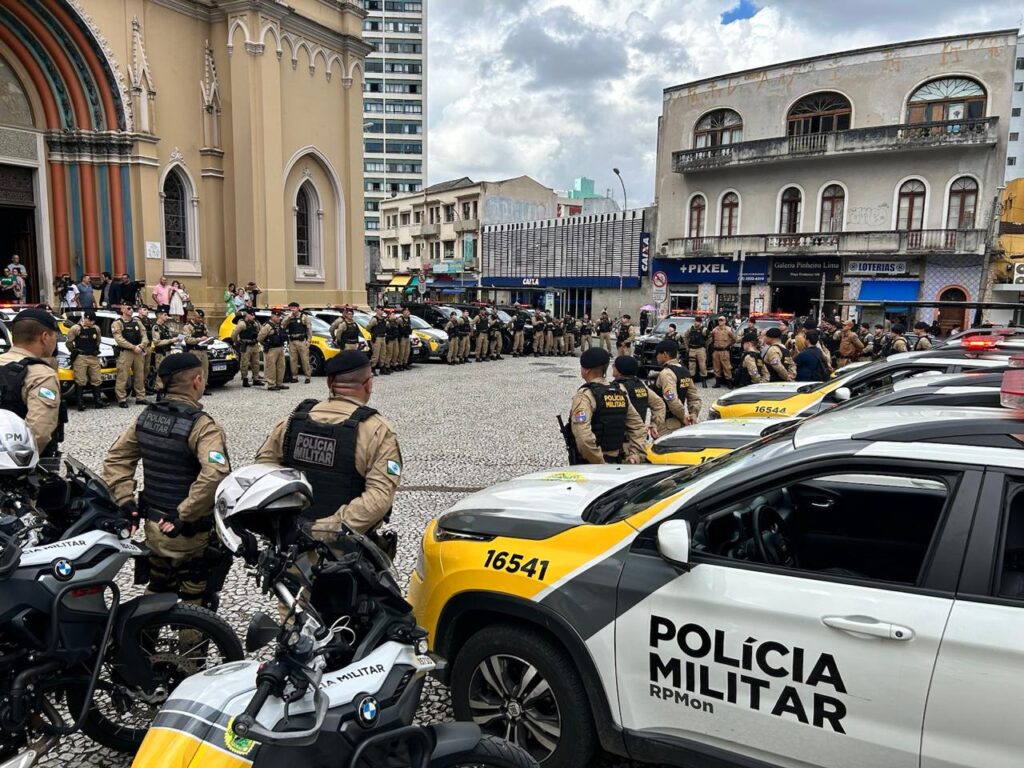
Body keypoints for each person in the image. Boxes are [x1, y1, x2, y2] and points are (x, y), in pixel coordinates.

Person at [104, 353, 231, 610]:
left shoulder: (147, 416)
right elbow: (216, 473)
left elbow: (117, 458)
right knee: (197, 599)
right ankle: (191, 648)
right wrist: (184, 513)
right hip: (188, 532)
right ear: (197, 381)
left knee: (158, 588)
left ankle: (142, 644)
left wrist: (125, 499)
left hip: (153, 527)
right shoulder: (202, 425)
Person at [256, 350, 401, 552]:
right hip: (344, 555)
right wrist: (322, 531)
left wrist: (287, 524)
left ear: (329, 383)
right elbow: (379, 497)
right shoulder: (377, 431)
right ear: (368, 385)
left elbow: (262, 472)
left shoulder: (291, 422)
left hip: (288, 550)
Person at [0, 308, 64, 456]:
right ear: (45, 337)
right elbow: (38, 431)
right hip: (18, 468)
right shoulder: (41, 375)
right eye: (55, 336)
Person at [568, 347, 646, 465]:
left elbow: (583, 437)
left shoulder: (585, 396)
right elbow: (638, 426)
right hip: (619, 461)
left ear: (586, 370)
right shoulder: (619, 390)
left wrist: (599, 462)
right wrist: (635, 454)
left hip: (591, 465)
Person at [613, 355, 666, 439]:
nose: (613, 368)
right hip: (638, 437)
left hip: (621, 439)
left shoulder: (617, 388)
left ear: (619, 371)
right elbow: (659, 404)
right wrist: (655, 424)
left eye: (614, 366)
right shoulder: (641, 386)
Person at [654, 339, 701, 433]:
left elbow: (671, 399)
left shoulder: (666, 373)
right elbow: (694, 397)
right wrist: (693, 414)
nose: (656, 357)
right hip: (680, 423)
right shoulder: (685, 371)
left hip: (666, 423)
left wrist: (683, 416)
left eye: (657, 354)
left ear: (665, 354)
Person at [65, 309, 105, 411]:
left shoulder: (96, 328)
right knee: (80, 380)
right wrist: (73, 351)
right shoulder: (76, 328)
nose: (92, 322)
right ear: (85, 318)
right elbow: (69, 342)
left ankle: (98, 400)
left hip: (93, 356)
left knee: (96, 379)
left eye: (93, 321)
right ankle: (80, 402)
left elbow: (98, 341)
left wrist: (95, 350)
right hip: (81, 357)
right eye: (90, 320)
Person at [111, 304, 150, 408]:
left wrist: (141, 346)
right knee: (123, 376)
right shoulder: (117, 323)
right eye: (128, 308)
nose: (131, 310)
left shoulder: (137, 322)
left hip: (138, 352)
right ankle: (121, 399)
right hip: (126, 352)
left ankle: (140, 397)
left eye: (132, 308)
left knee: (139, 375)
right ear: (122, 309)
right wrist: (133, 347)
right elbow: (119, 339)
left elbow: (144, 335)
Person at [150, 308, 181, 397]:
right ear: (159, 315)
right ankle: (159, 391)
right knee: (160, 372)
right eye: (165, 315)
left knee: (168, 372)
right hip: (160, 353)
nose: (166, 317)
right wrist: (171, 340)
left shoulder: (165, 327)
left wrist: (175, 341)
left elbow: (169, 339)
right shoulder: (156, 327)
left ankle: (166, 389)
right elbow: (157, 342)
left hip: (167, 351)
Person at [231, 307, 263, 387]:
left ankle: (256, 379)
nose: (253, 317)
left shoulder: (255, 323)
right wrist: (236, 343)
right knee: (244, 363)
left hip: (254, 345)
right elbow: (234, 334)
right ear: (247, 315)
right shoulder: (242, 323)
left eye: (254, 315)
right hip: (246, 346)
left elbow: (261, 331)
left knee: (256, 363)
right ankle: (245, 379)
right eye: (251, 315)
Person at [183, 307, 212, 392]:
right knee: (194, 371)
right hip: (194, 350)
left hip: (203, 350)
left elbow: (207, 334)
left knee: (205, 370)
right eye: (198, 317)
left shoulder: (203, 325)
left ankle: (203, 387)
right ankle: (193, 388)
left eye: (201, 318)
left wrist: (208, 339)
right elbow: (187, 339)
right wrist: (199, 339)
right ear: (194, 317)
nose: (200, 319)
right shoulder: (188, 326)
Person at [258, 310, 288, 390]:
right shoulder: (267, 326)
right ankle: (271, 384)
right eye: (277, 316)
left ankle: (279, 383)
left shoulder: (279, 325)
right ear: (272, 316)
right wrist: (265, 344)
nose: (279, 318)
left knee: (281, 366)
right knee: (271, 367)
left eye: (279, 316)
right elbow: (260, 338)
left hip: (280, 348)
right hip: (271, 349)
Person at [284, 302, 313, 384]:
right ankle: (294, 377)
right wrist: (288, 318)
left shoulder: (304, 317)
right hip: (292, 341)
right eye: (291, 308)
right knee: (293, 360)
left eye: (294, 308)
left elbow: (309, 330)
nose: (293, 309)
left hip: (302, 341)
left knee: (305, 360)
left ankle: (307, 376)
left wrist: (308, 341)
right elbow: (283, 325)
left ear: (298, 308)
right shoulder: (289, 317)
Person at [709, 315, 736, 386]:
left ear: (725, 321)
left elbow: (734, 339)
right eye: (719, 320)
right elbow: (711, 339)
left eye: (722, 320)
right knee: (716, 367)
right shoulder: (714, 330)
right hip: (716, 351)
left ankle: (729, 382)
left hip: (724, 351)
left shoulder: (728, 330)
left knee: (726, 367)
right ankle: (717, 383)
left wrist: (728, 345)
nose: (720, 321)